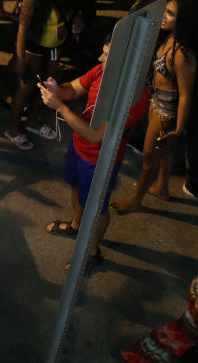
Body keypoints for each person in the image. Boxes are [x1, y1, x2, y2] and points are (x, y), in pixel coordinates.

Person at [39, 38, 150, 271]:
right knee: (77, 189)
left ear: (126, 62)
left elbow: (95, 136)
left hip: (100, 160)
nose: (100, 58)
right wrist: (57, 89)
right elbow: (74, 88)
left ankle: (92, 251)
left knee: (97, 208)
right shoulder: (102, 71)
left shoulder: (135, 97)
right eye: (103, 52)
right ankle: (76, 226)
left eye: (107, 55)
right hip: (78, 147)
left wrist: (59, 107)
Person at [113, 0, 196, 214]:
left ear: (183, 20)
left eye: (170, 13)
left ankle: (136, 199)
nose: (164, 15)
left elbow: (186, 95)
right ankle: (162, 188)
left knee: (150, 158)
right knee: (164, 153)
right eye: (165, 10)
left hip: (165, 114)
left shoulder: (181, 54)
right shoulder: (169, 38)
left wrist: (178, 128)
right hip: (156, 104)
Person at [5, 0, 83, 151]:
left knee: (48, 86)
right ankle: (13, 128)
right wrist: (21, 58)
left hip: (55, 49)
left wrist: (78, 21)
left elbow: (75, 13)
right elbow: (22, 30)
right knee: (25, 88)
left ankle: (32, 121)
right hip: (34, 49)